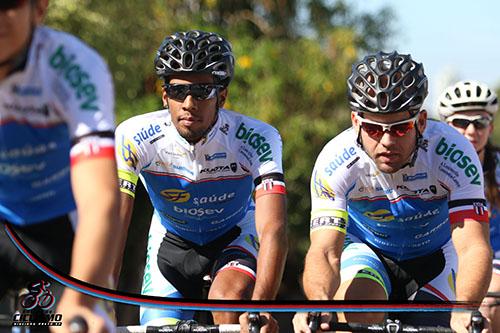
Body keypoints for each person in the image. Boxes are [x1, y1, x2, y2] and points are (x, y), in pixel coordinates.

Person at [292, 51, 492, 333]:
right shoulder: (335, 160)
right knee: (357, 311)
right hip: (368, 251)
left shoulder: (453, 152)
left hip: (437, 255)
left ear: (421, 122)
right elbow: (325, 251)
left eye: (400, 129)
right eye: (373, 129)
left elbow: (472, 245)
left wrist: (466, 307)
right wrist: (319, 304)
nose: (386, 141)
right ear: (355, 122)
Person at [115, 30, 287, 332]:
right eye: (179, 91)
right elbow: (113, 223)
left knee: (228, 304)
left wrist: (261, 307)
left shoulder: (257, 137)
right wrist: (94, 293)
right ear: (165, 94)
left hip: (234, 235)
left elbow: (273, 228)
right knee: (160, 327)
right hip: (171, 240)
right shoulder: (134, 136)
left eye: (202, 91)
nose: (190, 102)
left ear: (222, 95)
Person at [0, 0, 121, 331]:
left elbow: (100, 198)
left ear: (38, 9)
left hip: (61, 230)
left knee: (80, 324)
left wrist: (79, 301)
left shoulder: (72, 65)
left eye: (8, 3)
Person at [438, 80, 500, 331]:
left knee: (486, 302)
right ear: (446, 127)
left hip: (494, 259)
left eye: (480, 122)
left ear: (491, 127)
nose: (471, 130)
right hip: (443, 258)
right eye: (462, 122)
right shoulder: (430, 164)